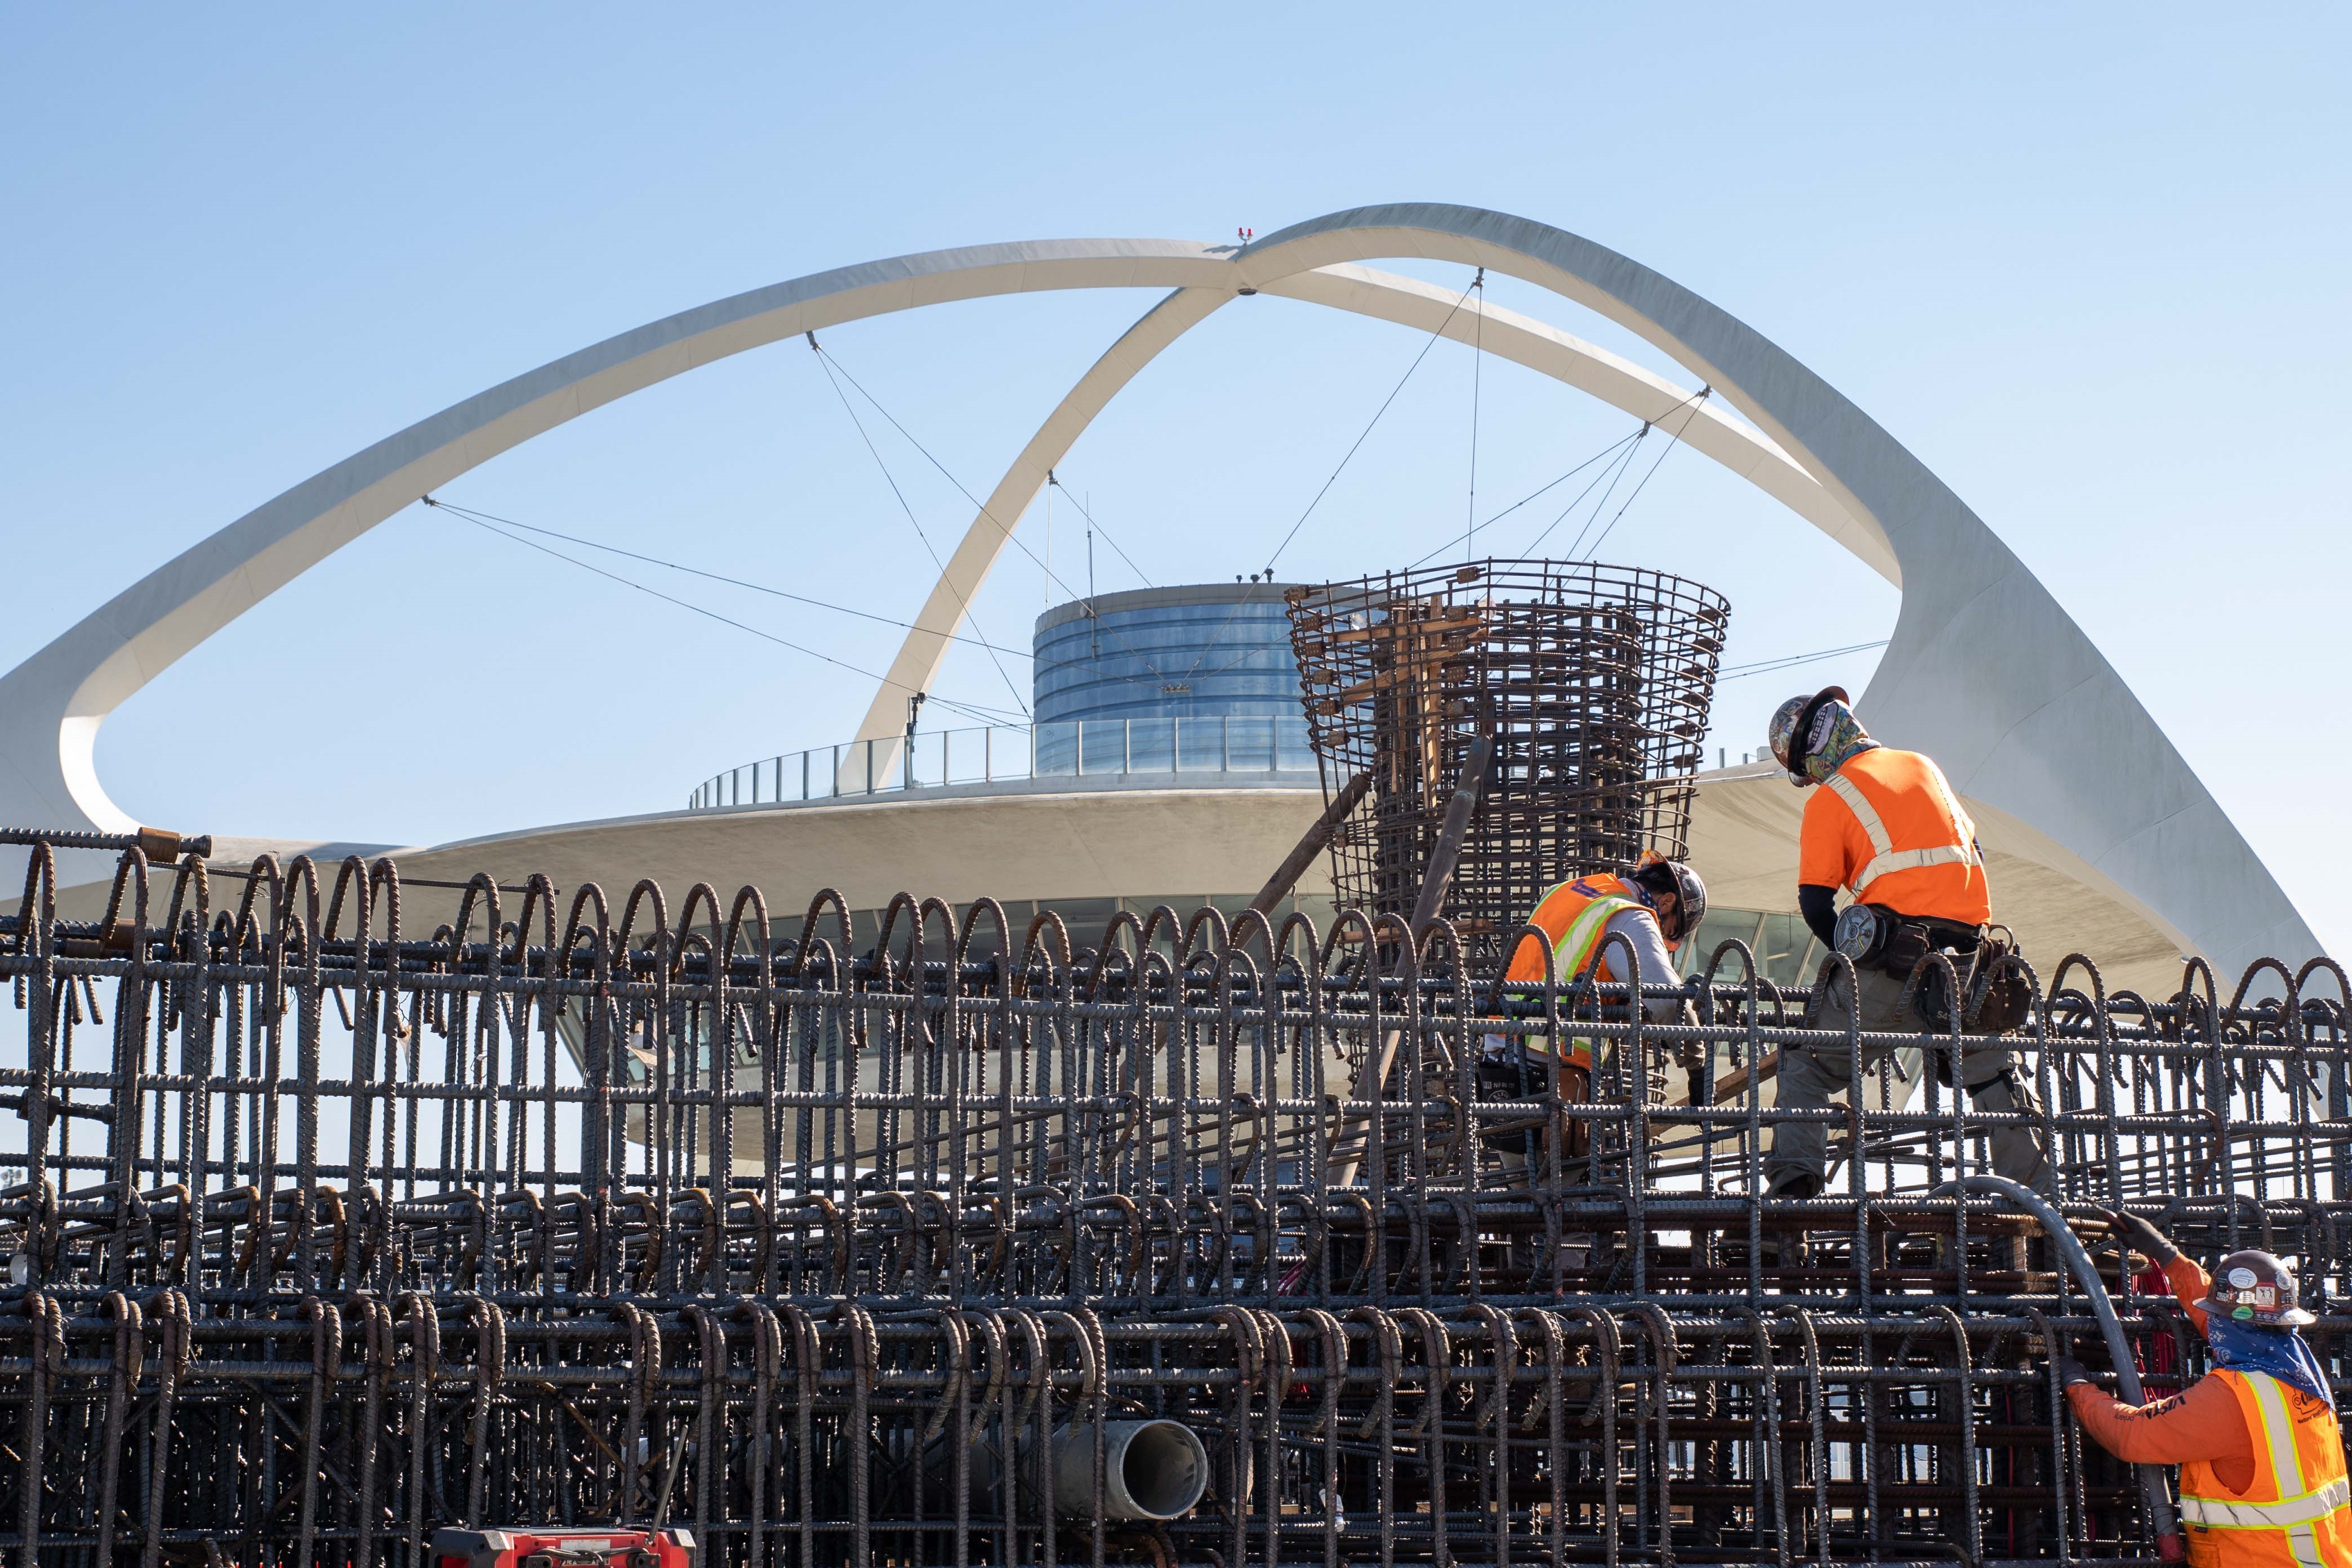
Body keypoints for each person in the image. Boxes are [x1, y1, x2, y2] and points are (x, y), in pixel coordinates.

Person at [1761, 685, 2052, 1197]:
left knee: (1806, 1067)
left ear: (1810, 751)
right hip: (1966, 966)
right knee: (1992, 1078)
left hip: (1889, 965)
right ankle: (2043, 1199)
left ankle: (1792, 1199)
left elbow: (1814, 903)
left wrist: (1856, 957)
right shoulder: (1925, 766)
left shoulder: (1832, 795)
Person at [2059, 1208, 2350, 1567]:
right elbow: (2230, 1318)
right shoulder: (2297, 1367)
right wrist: (2166, 1254)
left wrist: (2076, 1387)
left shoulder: (2231, 1397)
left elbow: (2130, 1435)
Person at [1488, 852, 1707, 1100]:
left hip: (1500, 1048)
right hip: (1547, 1063)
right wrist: (1698, 1068)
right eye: (1668, 931)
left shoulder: (1568, 890)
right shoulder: (1630, 917)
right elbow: (1668, 1001)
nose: (1661, 937)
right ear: (1667, 902)